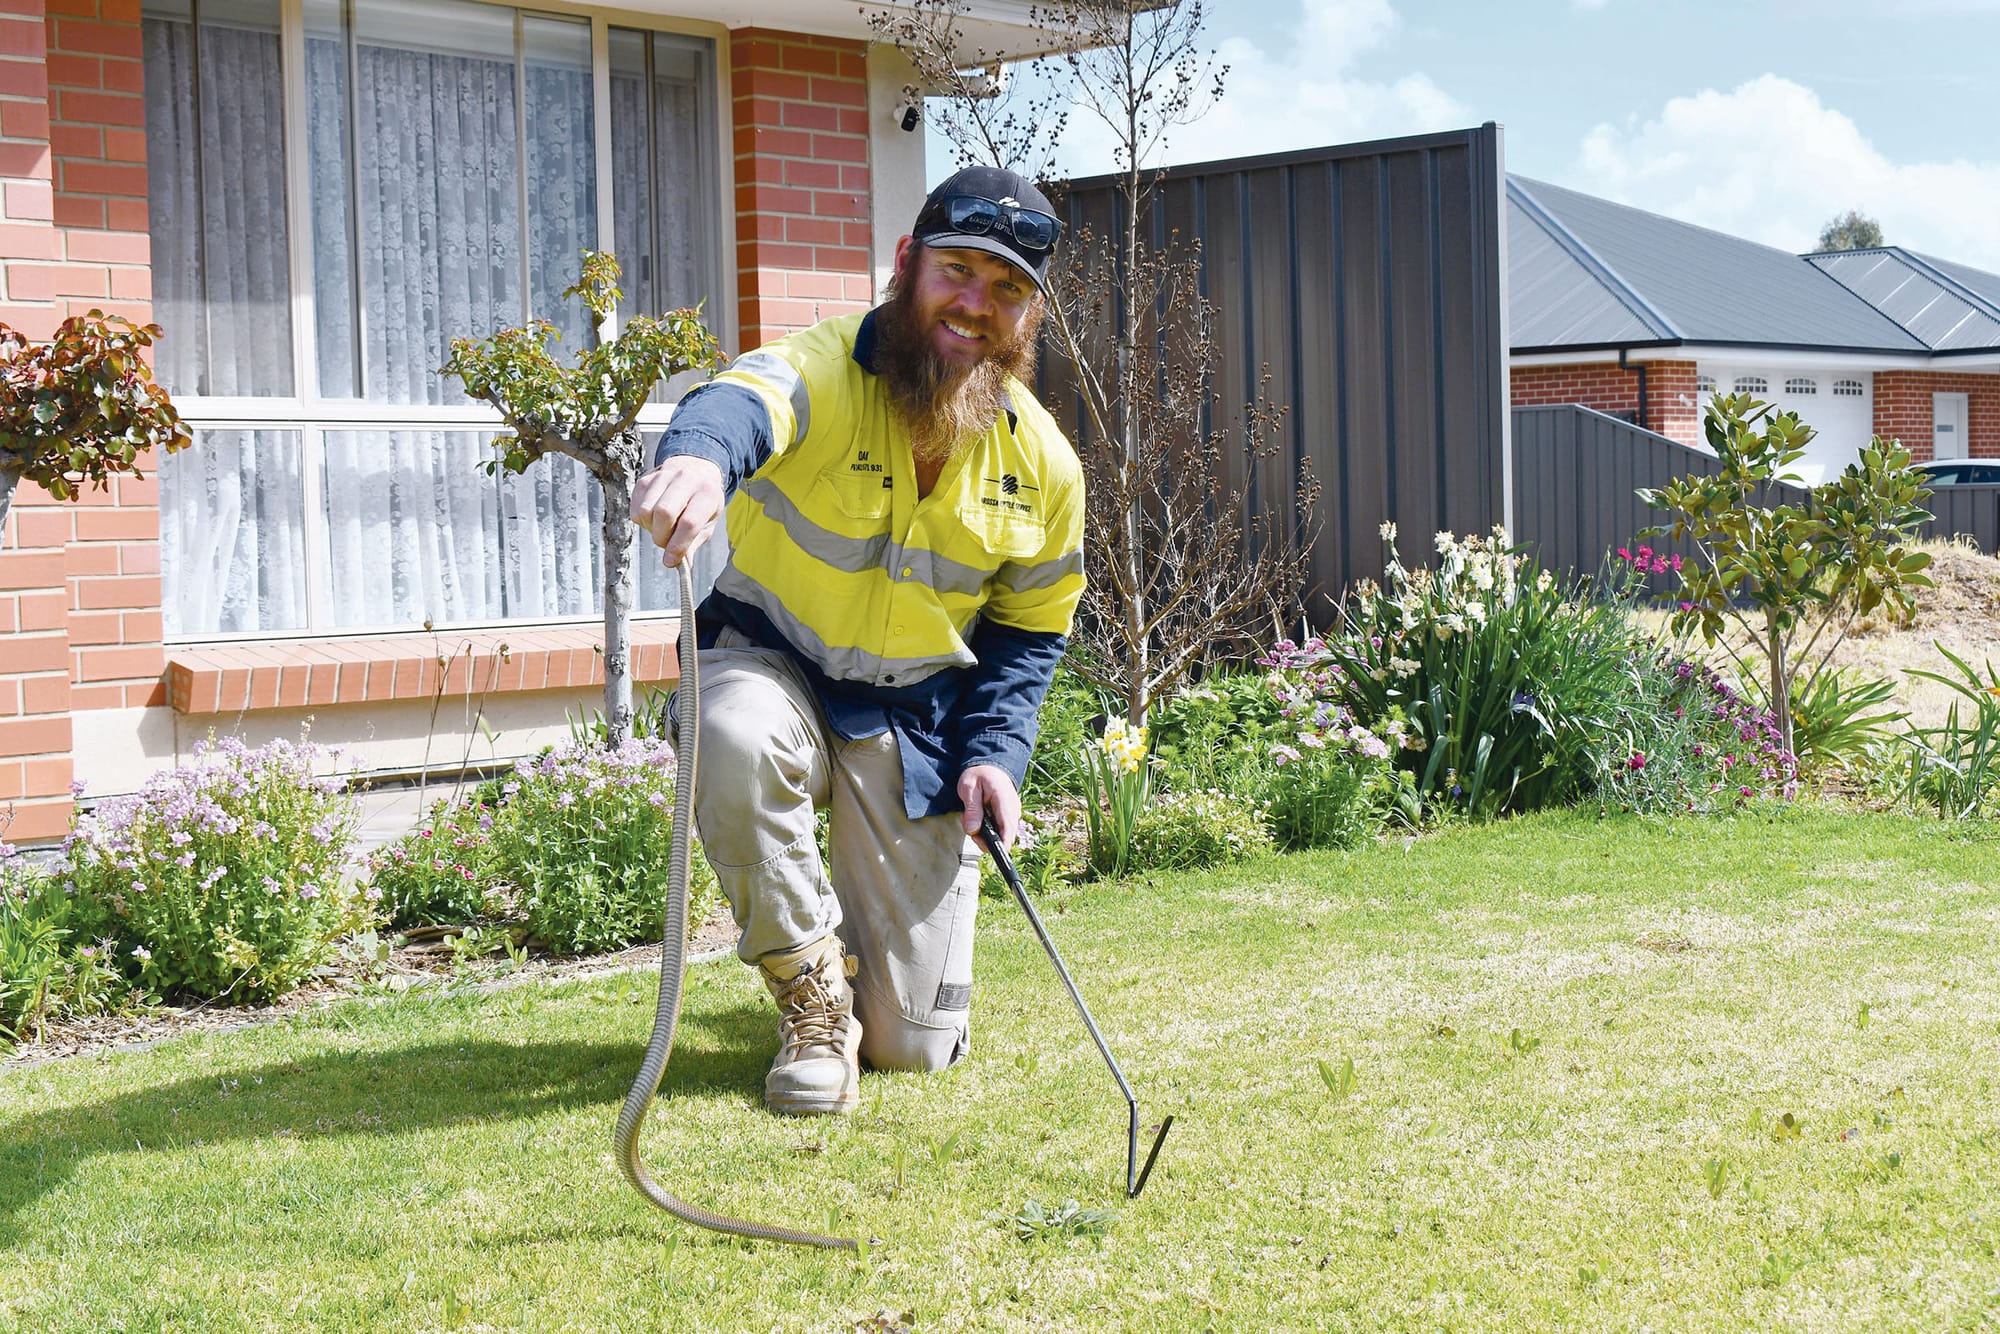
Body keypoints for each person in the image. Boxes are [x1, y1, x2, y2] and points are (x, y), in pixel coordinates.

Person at [629, 166, 1084, 1116]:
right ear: (907, 262)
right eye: (957, 271)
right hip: (769, 666)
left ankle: (860, 979)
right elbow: (737, 404)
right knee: (732, 733)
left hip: (909, 722)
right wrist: (698, 463)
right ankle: (810, 994)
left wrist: (994, 756)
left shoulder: (1045, 463)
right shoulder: (819, 368)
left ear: (1031, 313)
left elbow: (1028, 635)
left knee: (915, 1047)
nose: (976, 305)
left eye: (1007, 288)